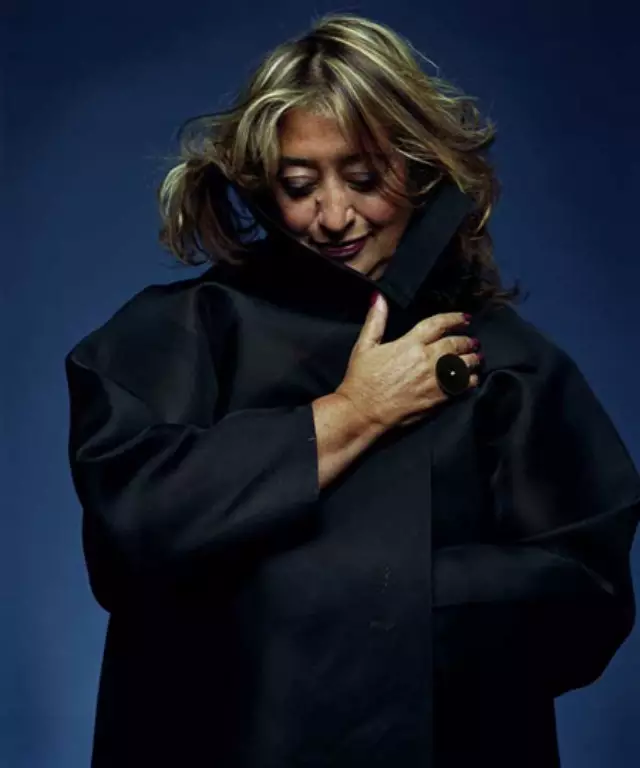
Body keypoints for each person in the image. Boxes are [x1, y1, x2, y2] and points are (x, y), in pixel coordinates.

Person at [65, 13, 640, 768]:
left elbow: (586, 599)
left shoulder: (504, 362)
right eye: (299, 186)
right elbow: (131, 530)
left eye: (365, 180)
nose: (334, 217)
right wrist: (353, 412)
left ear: (420, 168)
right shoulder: (182, 331)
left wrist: (371, 604)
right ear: (262, 186)